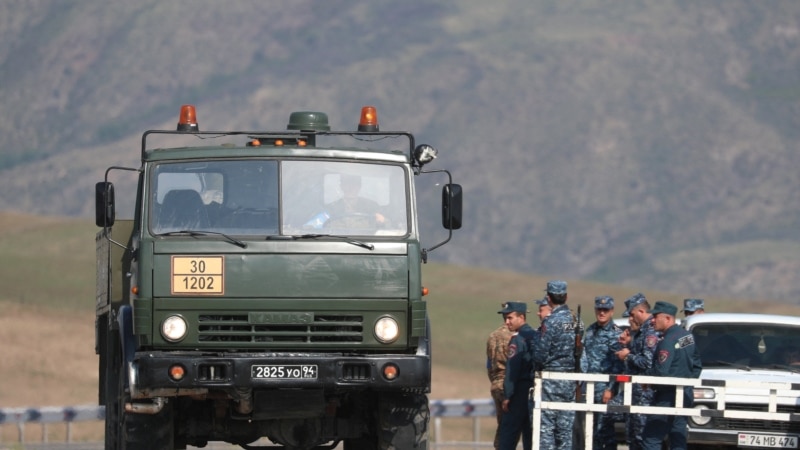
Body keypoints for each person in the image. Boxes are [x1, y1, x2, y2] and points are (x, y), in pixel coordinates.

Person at [642, 301, 702, 450]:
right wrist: (687, 382)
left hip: (667, 395)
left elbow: (661, 372)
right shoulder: (687, 336)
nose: (652, 320)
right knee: (678, 437)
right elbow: (697, 366)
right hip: (685, 393)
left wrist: (646, 378)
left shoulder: (667, 341)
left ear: (668, 318)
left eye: (656, 316)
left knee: (652, 437)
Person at [532, 280, 579, 450]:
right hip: (570, 381)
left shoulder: (550, 322)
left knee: (546, 429)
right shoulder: (576, 321)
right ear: (566, 297)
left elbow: (540, 353)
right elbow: (583, 353)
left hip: (551, 379)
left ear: (549, 298)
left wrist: (536, 367)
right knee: (564, 431)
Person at [614, 293, 658, 450]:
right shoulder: (642, 332)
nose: (631, 319)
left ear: (641, 311)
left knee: (642, 437)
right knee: (632, 437)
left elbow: (647, 362)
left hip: (645, 393)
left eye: (632, 315)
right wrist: (629, 345)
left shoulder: (650, 331)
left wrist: (628, 356)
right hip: (636, 393)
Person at [581, 296, 624, 450]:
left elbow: (618, 365)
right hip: (589, 386)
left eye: (605, 310)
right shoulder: (591, 330)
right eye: (599, 309)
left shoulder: (616, 333)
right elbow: (584, 356)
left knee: (605, 429)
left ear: (612, 312)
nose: (602, 312)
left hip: (604, 386)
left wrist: (610, 389)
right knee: (590, 429)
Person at [498, 302, 536, 450]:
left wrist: (508, 396)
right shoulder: (534, 335)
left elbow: (512, 370)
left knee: (508, 436)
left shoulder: (518, 339)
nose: (507, 322)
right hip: (532, 391)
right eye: (505, 318)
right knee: (529, 435)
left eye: (510, 318)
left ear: (521, 317)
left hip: (518, 391)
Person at [487, 309, 516, 449]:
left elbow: (489, 364)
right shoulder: (513, 336)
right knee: (510, 427)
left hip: (496, 383)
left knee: (503, 425)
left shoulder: (493, 336)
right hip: (509, 384)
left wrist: (494, 379)